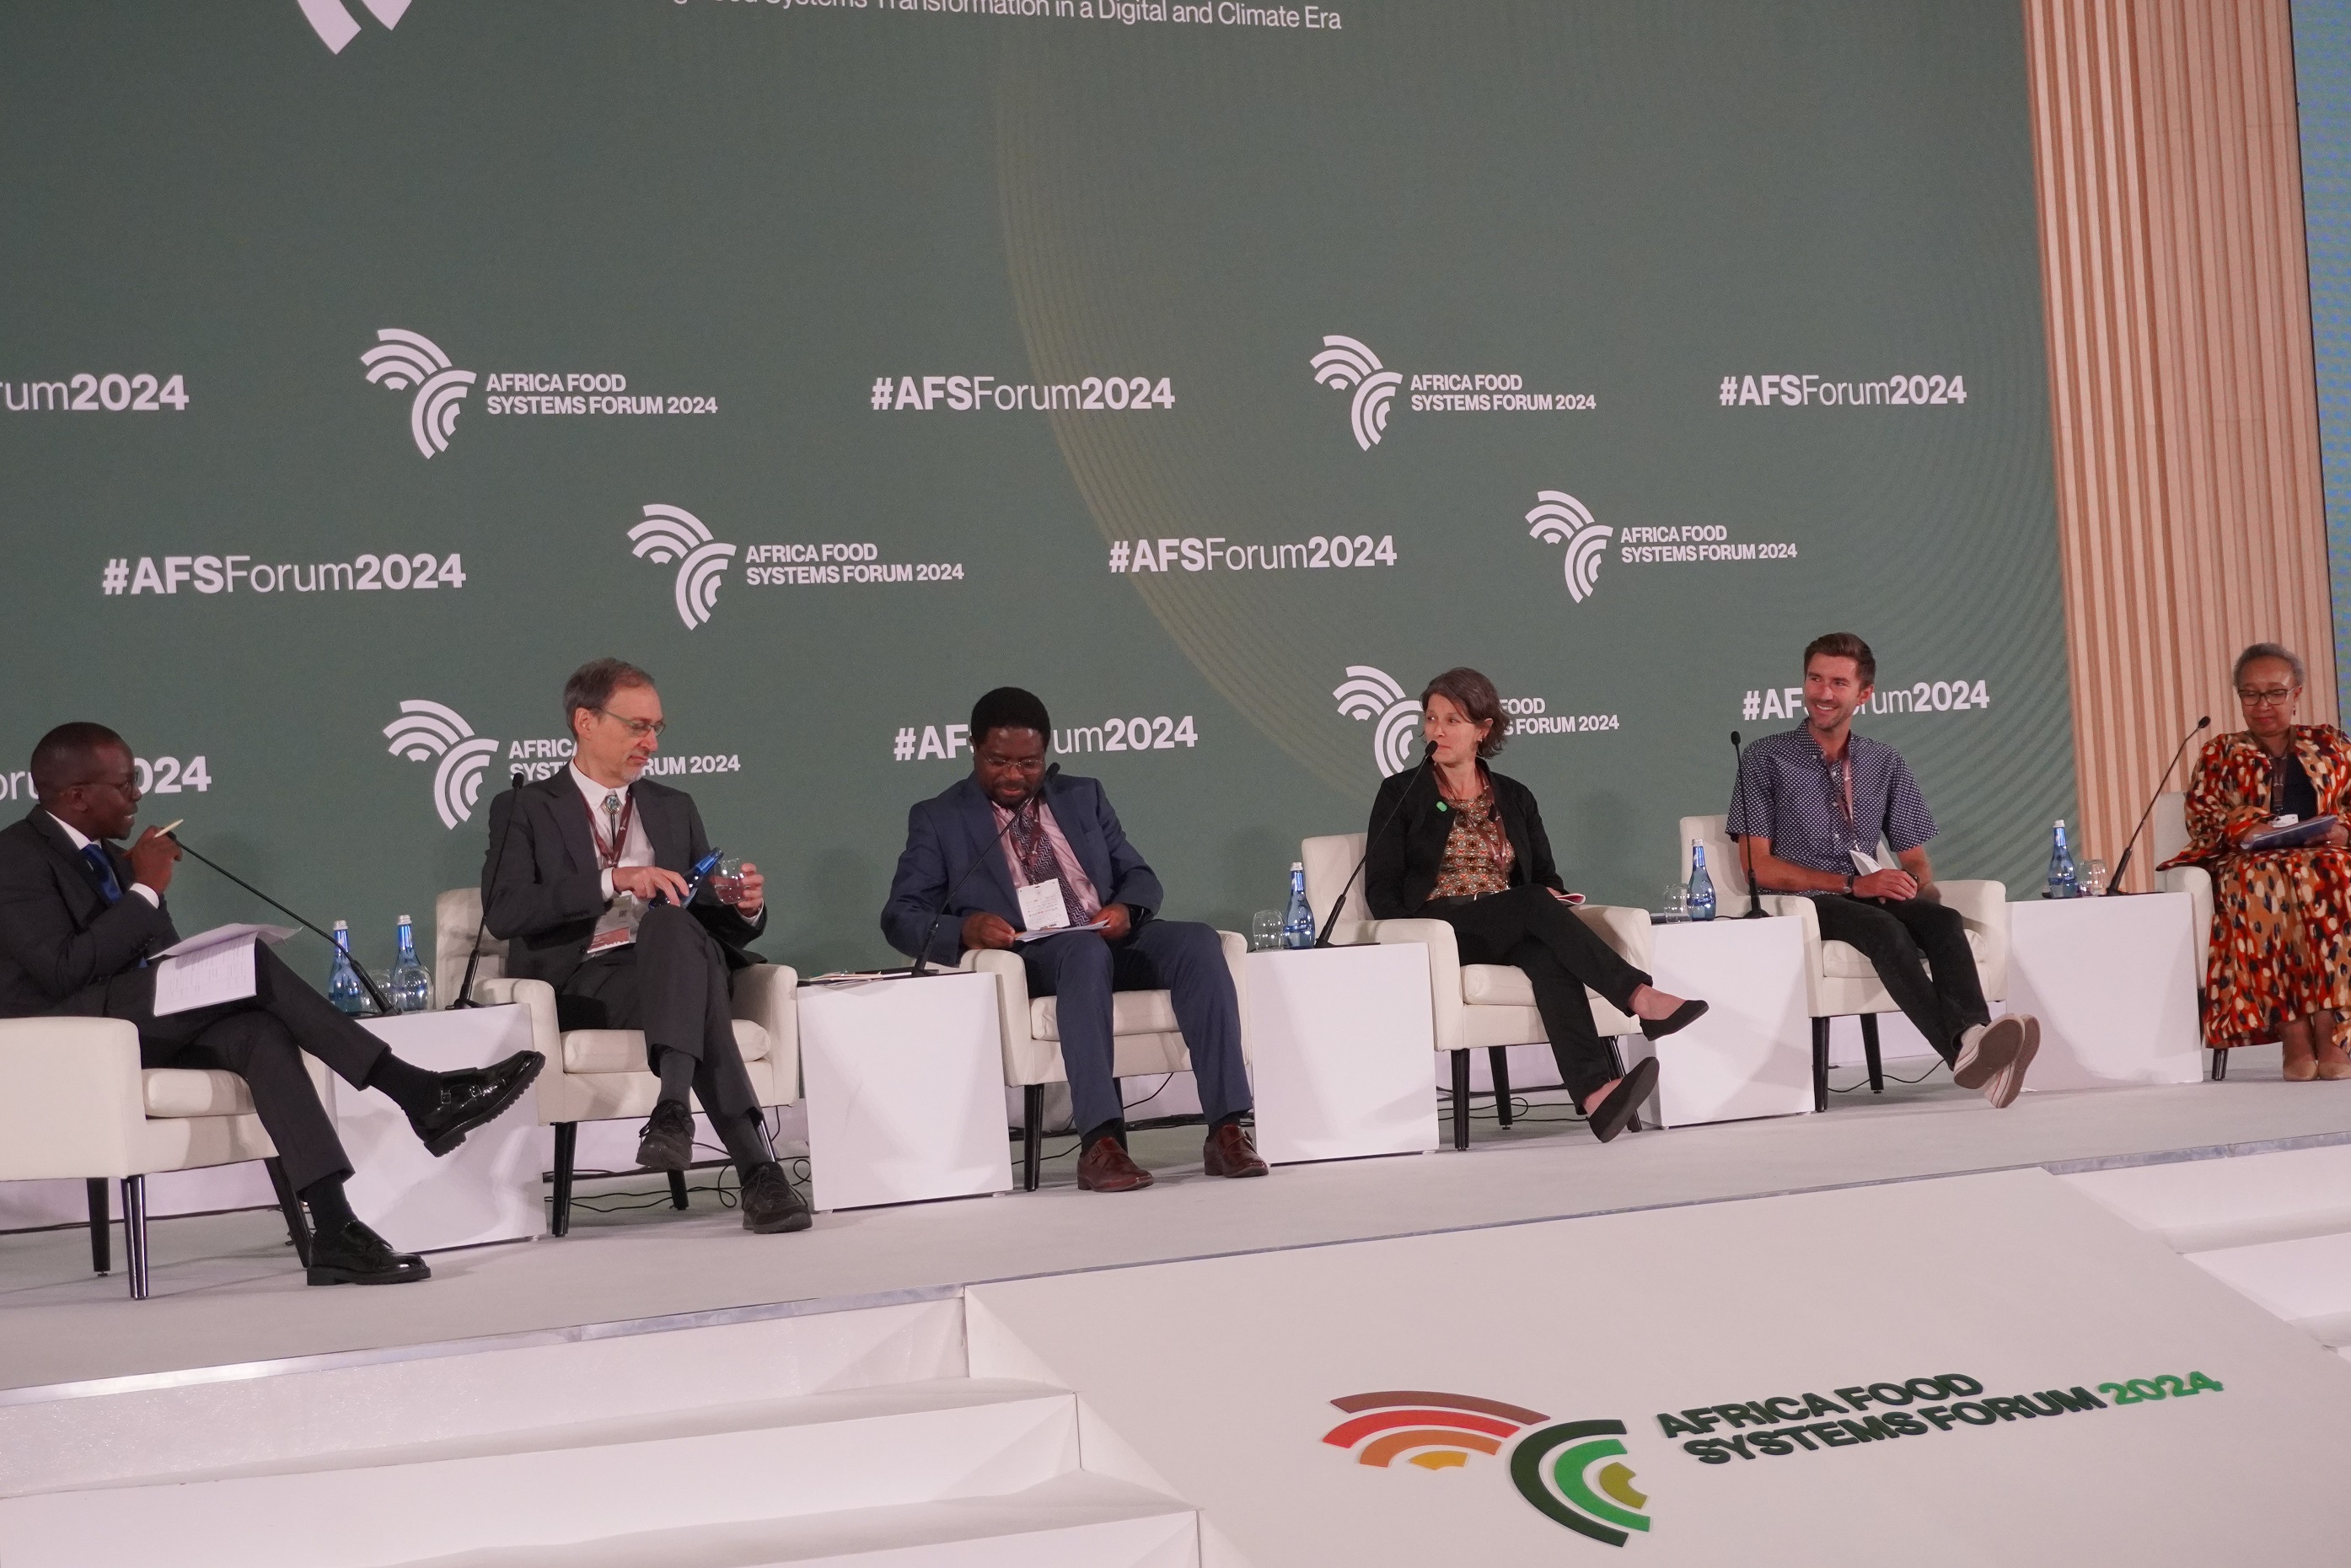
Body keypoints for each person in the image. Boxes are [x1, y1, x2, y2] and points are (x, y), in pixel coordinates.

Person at [0, 722, 542, 1286]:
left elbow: (160, 957)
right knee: (249, 965)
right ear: (76, 795)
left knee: (259, 1031)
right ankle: (420, 1093)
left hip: (132, 1024)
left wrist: (165, 921)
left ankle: (335, 1230)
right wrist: (146, 890)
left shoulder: (117, 861)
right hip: (65, 1038)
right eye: (125, 783)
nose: (138, 793)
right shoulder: (14, 856)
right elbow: (60, 970)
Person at [881, 686, 1264, 1192]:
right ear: (973, 748)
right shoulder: (940, 818)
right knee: (1082, 953)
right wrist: (965, 930)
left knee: (1197, 941)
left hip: (1106, 938)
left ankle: (1227, 1129)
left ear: (1046, 753)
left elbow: (1139, 876)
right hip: (1038, 955)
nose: (1014, 776)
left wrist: (1126, 910)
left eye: (1029, 763)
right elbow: (900, 916)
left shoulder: (1083, 796)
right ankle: (1101, 1143)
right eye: (999, 761)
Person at [481, 658, 808, 1233]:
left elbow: (706, 915)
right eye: (637, 726)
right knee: (696, 991)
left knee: (672, 927)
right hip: (590, 981)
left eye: (657, 728)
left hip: (676, 959)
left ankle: (673, 1110)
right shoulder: (525, 808)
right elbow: (506, 911)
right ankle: (758, 1170)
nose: (651, 742)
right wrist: (613, 880)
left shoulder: (673, 806)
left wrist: (741, 906)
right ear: (585, 721)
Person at [1363, 668, 1704, 1142]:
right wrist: (1415, 931)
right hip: (1440, 929)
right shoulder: (1402, 793)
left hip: (1507, 924)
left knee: (1547, 956)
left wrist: (1551, 896)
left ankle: (1596, 1095)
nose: (1437, 730)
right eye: (1431, 718)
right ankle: (1638, 996)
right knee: (1529, 903)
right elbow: (1380, 889)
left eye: (1452, 720)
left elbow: (1545, 878)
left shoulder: (1515, 796)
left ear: (1483, 730)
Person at [1728, 632, 2037, 1106]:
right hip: (1804, 902)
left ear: (1864, 694)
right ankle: (1965, 1053)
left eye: (1838, 683)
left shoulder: (1884, 761)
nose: (1823, 693)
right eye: (1815, 679)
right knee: (1884, 929)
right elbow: (1757, 866)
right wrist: (1854, 884)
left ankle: (1973, 1037)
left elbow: (1914, 858)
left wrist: (1914, 887)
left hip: (1868, 889)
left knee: (1943, 920)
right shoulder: (1764, 758)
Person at [2158, 642, 2351, 1078]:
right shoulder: (2219, 752)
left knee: (2331, 873)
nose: (2263, 705)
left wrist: (2343, 829)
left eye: (2275, 693)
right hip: (2250, 864)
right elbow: (2203, 816)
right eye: (2250, 694)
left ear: (2296, 694)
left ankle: (2330, 1029)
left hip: (2322, 857)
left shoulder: (2332, 744)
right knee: (2264, 879)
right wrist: (2244, 827)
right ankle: (2293, 1032)